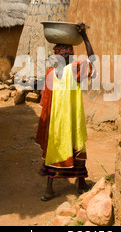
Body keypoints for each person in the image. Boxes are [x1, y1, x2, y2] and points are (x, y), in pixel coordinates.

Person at [35, 23, 96, 201]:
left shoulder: (50, 73)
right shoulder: (75, 69)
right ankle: (81, 183)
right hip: (73, 119)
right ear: (69, 55)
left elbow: (45, 103)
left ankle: (48, 190)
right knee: (77, 147)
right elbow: (93, 60)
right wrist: (84, 37)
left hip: (56, 123)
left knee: (55, 150)